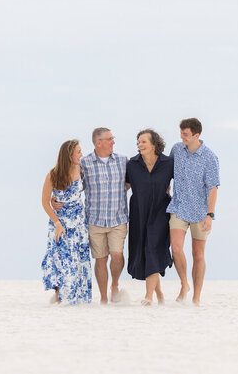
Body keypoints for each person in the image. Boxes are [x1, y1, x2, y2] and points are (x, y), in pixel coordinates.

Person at [167, 117, 220, 305]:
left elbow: (213, 188)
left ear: (196, 135)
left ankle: (196, 297)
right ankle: (184, 284)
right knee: (176, 248)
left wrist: (210, 215)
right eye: (181, 133)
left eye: (185, 134)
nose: (182, 137)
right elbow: (167, 172)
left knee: (198, 255)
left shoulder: (210, 158)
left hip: (200, 212)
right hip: (178, 207)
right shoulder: (176, 150)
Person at [79, 127, 130, 303]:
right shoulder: (84, 163)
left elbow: (132, 182)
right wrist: (56, 199)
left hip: (118, 219)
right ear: (98, 142)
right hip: (95, 220)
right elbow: (75, 186)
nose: (113, 142)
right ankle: (103, 299)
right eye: (110, 139)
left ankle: (114, 284)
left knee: (117, 255)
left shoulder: (123, 161)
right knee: (100, 260)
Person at [40, 139, 92, 304]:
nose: (81, 154)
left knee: (79, 260)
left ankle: (79, 299)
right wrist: (57, 223)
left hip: (78, 224)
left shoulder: (80, 169)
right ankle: (59, 299)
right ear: (69, 155)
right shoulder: (53, 175)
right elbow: (45, 202)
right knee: (60, 259)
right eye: (78, 152)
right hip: (60, 224)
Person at [125, 128, 174, 305]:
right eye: (138, 142)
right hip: (139, 213)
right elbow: (123, 187)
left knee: (153, 248)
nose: (140, 144)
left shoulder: (168, 163)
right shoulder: (132, 164)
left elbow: (182, 182)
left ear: (154, 144)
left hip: (161, 212)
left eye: (143, 141)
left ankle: (149, 296)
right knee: (145, 251)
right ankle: (159, 293)